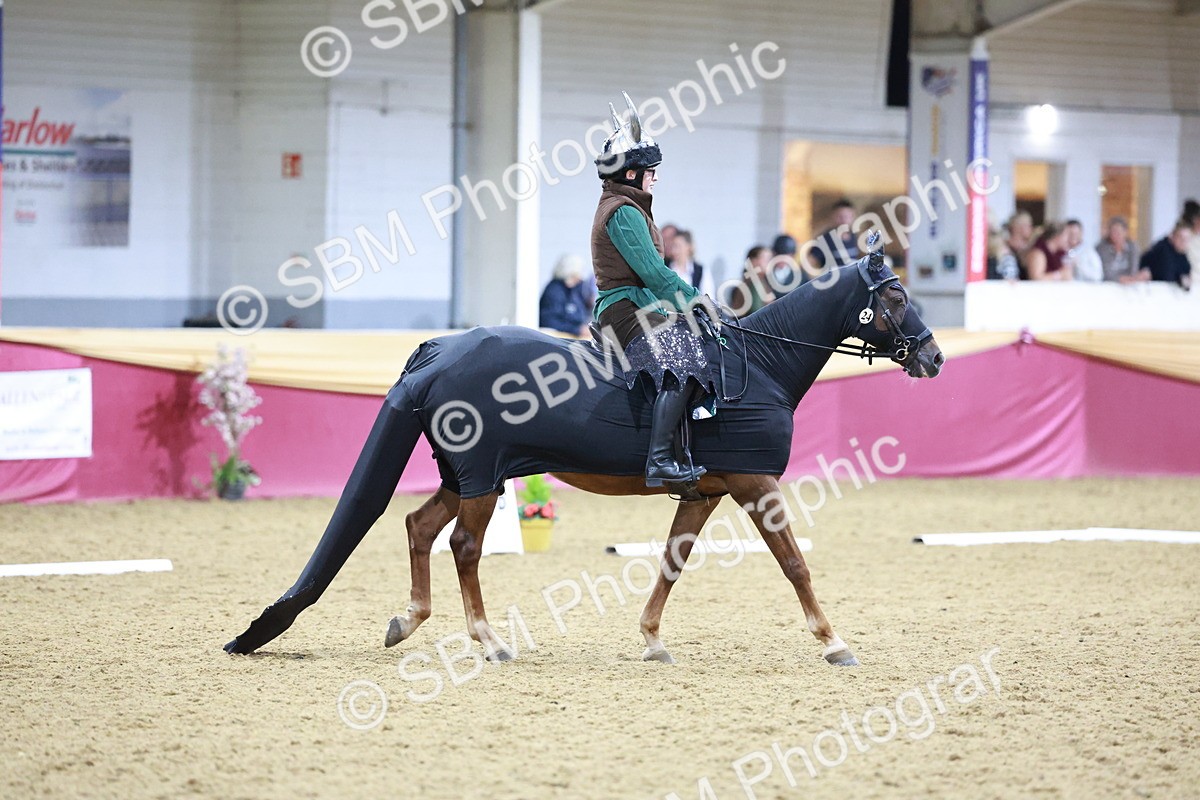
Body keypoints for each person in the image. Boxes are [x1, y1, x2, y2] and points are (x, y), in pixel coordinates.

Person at [590, 92, 712, 491]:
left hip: (639, 306)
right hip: (624, 310)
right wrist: (696, 300)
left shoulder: (629, 205)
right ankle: (660, 461)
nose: (655, 177)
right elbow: (656, 276)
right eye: (651, 171)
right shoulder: (623, 213)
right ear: (631, 174)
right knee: (683, 360)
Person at [538, 254, 594, 336]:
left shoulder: (577, 288)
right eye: (576, 274)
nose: (579, 278)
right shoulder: (554, 291)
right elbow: (549, 321)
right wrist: (577, 330)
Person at [1138, 221, 1193, 290]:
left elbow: (1186, 274)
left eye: (1187, 239)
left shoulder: (1182, 255)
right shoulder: (1163, 249)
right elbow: (1167, 276)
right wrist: (1180, 279)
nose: (1183, 242)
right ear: (1173, 236)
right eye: (1180, 237)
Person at [810, 199, 861, 271]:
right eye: (840, 216)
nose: (844, 220)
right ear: (833, 217)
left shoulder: (855, 237)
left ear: (853, 217)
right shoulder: (824, 239)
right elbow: (811, 263)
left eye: (847, 216)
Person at [727, 245, 777, 316]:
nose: (769, 263)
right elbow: (758, 312)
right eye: (766, 259)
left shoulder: (755, 282)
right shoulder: (754, 284)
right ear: (752, 261)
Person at [667, 229, 715, 297]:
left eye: (678, 246)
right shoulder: (666, 267)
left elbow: (709, 296)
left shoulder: (700, 270)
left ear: (688, 247)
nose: (674, 251)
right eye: (672, 246)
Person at [1097, 216, 1143, 283]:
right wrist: (1119, 279)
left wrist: (1132, 278)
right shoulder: (1102, 249)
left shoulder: (1133, 248)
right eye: (1113, 231)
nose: (1116, 235)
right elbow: (1104, 272)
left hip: (1129, 284)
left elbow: (1134, 268)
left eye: (1119, 232)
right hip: (1109, 285)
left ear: (1125, 232)